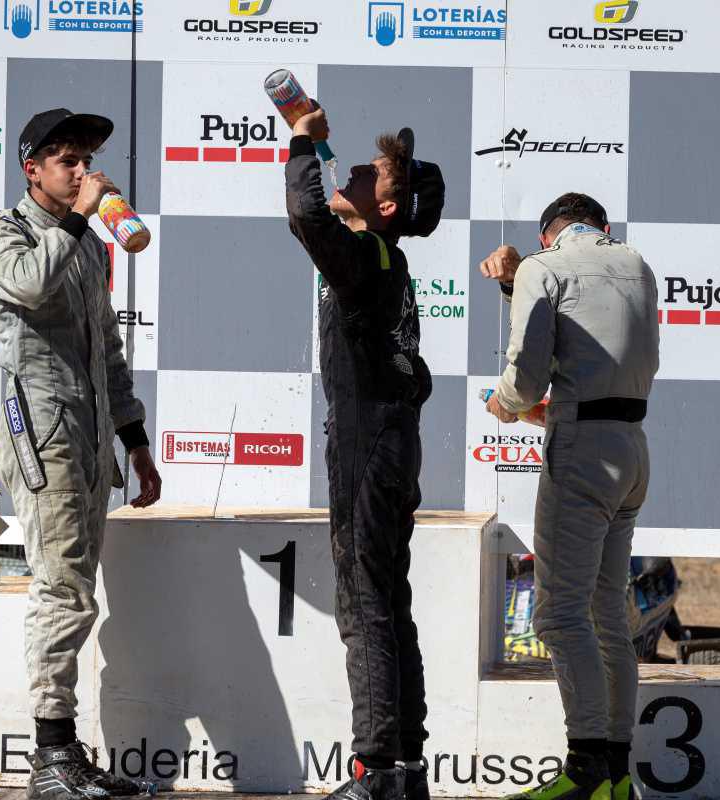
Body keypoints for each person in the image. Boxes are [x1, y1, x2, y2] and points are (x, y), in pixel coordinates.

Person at [0, 108, 163, 800]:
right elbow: (28, 285)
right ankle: (51, 756)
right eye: (66, 160)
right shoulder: (4, 233)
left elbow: (108, 349)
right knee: (60, 587)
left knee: (76, 588)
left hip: (89, 433)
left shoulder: (85, 244)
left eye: (86, 159)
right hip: (40, 430)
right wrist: (82, 217)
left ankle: (66, 754)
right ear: (33, 169)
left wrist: (135, 440)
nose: (83, 170)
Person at [285, 107, 445, 800]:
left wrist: (298, 138)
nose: (343, 173)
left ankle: (377, 770)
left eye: (360, 174)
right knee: (387, 599)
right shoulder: (388, 258)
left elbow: (303, 214)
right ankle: (404, 770)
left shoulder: (367, 256)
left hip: (367, 439)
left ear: (384, 204)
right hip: (388, 435)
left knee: (363, 604)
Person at [478, 193, 659, 800]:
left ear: (549, 234)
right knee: (608, 614)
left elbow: (526, 377)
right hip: (632, 448)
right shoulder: (636, 263)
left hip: (583, 453)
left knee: (558, 614)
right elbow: (591, 361)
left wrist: (503, 404)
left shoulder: (543, 266)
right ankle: (616, 775)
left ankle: (585, 773)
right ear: (601, 227)